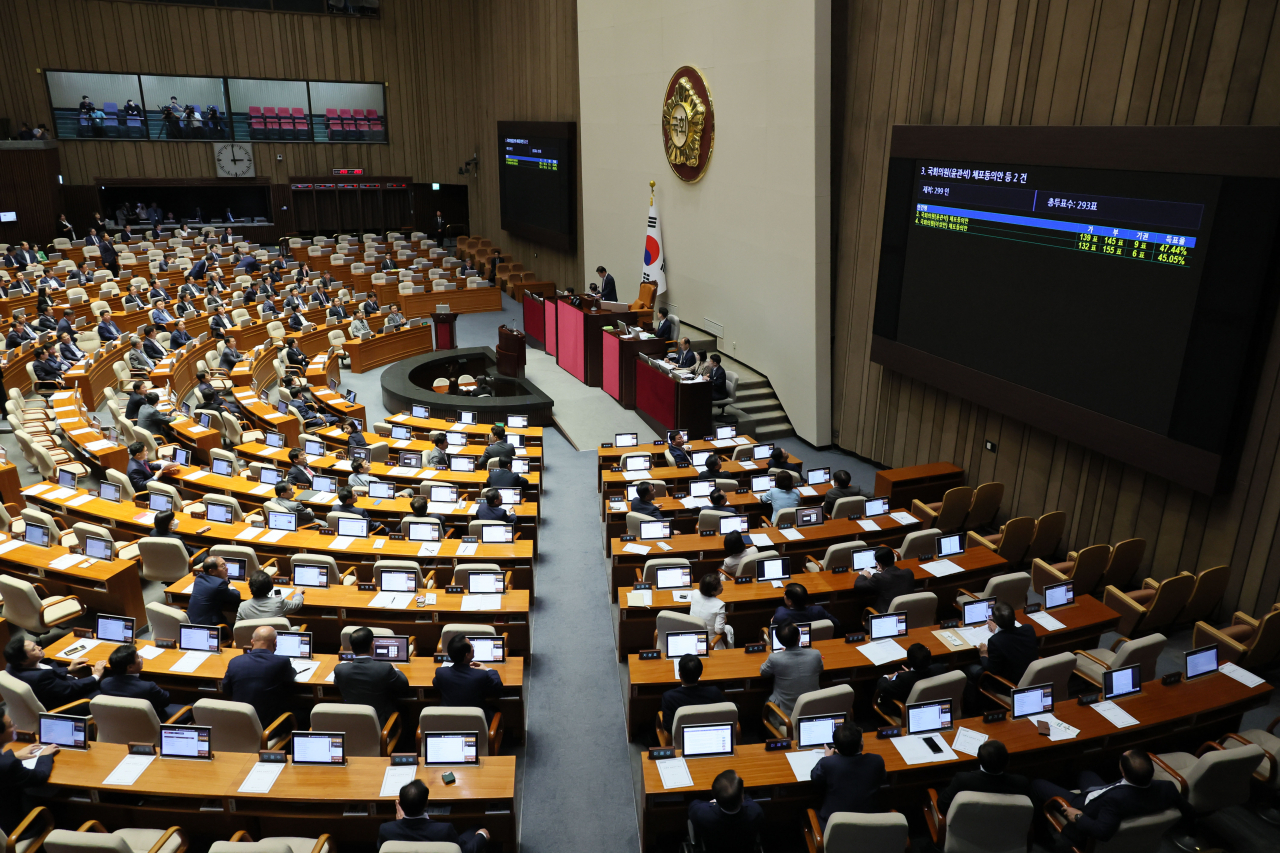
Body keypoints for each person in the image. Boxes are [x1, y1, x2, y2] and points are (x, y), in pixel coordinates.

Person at [1031, 750, 1189, 851]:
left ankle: (1040, 835)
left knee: (1037, 784)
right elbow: (1188, 809)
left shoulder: (1115, 801)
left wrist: (1078, 815)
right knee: (1085, 773)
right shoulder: (1167, 787)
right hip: (1102, 793)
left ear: (1123, 771)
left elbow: (1102, 832)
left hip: (1083, 806)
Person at [378, 779, 490, 853]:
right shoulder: (444, 830)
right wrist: (482, 835)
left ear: (400, 805)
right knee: (476, 828)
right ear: (426, 803)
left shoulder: (386, 830)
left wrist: (399, 823)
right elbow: (465, 851)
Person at [965, 601, 1038, 711]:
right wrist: (998, 631)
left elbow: (992, 670)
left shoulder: (995, 641)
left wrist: (984, 654)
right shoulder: (1028, 629)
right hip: (1030, 677)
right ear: (1015, 617)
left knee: (971, 669)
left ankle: (972, 710)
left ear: (997, 622)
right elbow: (1011, 639)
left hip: (1008, 685)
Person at [333, 627, 411, 726]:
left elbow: (337, 682)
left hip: (352, 725)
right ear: (372, 645)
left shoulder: (340, 669)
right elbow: (404, 685)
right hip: (380, 726)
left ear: (351, 649)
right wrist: (395, 668)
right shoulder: (384, 668)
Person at [810, 724, 886, 825]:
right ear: (861, 744)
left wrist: (827, 757)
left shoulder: (828, 763)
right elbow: (883, 778)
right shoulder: (876, 760)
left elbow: (815, 778)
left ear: (836, 747)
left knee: (806, 812)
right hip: (869, 823)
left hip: (835, 825)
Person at [221, 626, 297, 726]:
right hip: (269, 727)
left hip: (239, 725)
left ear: (252, 642)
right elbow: (290, 685)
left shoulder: (235, 662)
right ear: (275, 643)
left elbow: (226, 690)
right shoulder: (282, 662)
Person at [0, 711, 59, 836]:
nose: (15, 727)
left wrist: (14, 755)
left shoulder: (6, 762)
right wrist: (45, 755)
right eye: (11, 725)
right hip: (15, 828)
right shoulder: (8, 765)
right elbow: (39, 777)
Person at [3, 638, 103, 709]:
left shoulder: (11, 666)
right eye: (34, 649)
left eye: (35, 645)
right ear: (23, 660)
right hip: (66, 704)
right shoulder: (40, 678)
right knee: (103, 690)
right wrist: (95, 676)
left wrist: (68, 669)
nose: (40, 647)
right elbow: (69, 688)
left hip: (52, 692)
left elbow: (47, 674)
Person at [937, 739, 1030, 814]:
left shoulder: (963, 780)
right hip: (1006, 832)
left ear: (979, 760)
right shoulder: (1021, 783)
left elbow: (943, 806)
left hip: (968, 830)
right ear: (1008, 761)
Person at [99, 644, 189, 720]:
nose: (141, 658)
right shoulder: (148, 687)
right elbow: (165, 700)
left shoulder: (105, 683)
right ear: (130, 667)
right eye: (138, 657)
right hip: (150, 723)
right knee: (190, 708)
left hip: (118, 723)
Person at [688, 770, 764, 853]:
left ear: (715, 796)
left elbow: (694, 804)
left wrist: (712, 803)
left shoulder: (702, 814)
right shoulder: (755, 812)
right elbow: (748, 800)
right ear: (742, 798)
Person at [759, 621, 822, 718]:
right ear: (799, 637)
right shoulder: (816, 655)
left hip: (785, 716)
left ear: (779, 641)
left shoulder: (775, 658)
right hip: (813, 711)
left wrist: (780, 655)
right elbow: (820, 670)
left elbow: (763, 672)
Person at [433, 635, 503, 720]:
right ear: (467, 655)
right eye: (471, 646)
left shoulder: (441, 673)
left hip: (449, 722)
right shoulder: (481, 675)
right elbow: (497, 685)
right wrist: (488, 669)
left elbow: (436, 683)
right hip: (476, 723)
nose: (473, 648)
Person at [660, 654, 727, 732]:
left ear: (680, 674)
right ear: (700, 673)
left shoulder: (669, 697)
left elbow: (668, 727)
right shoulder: (714, 692)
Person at [772, 583, 840, 635]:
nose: (784, 596)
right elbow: (836, 624)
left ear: (790, 602)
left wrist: (772, 622)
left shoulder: (781, 614)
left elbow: (771, 634)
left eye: (785, 594)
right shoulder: (818, 610)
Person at [236, 570, 304, 622]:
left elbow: (238, 628)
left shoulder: (243, 606)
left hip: (254, 639)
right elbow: (297, 604)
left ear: (250, 587)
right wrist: (298, 593)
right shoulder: (278, 602)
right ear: (270, 587)